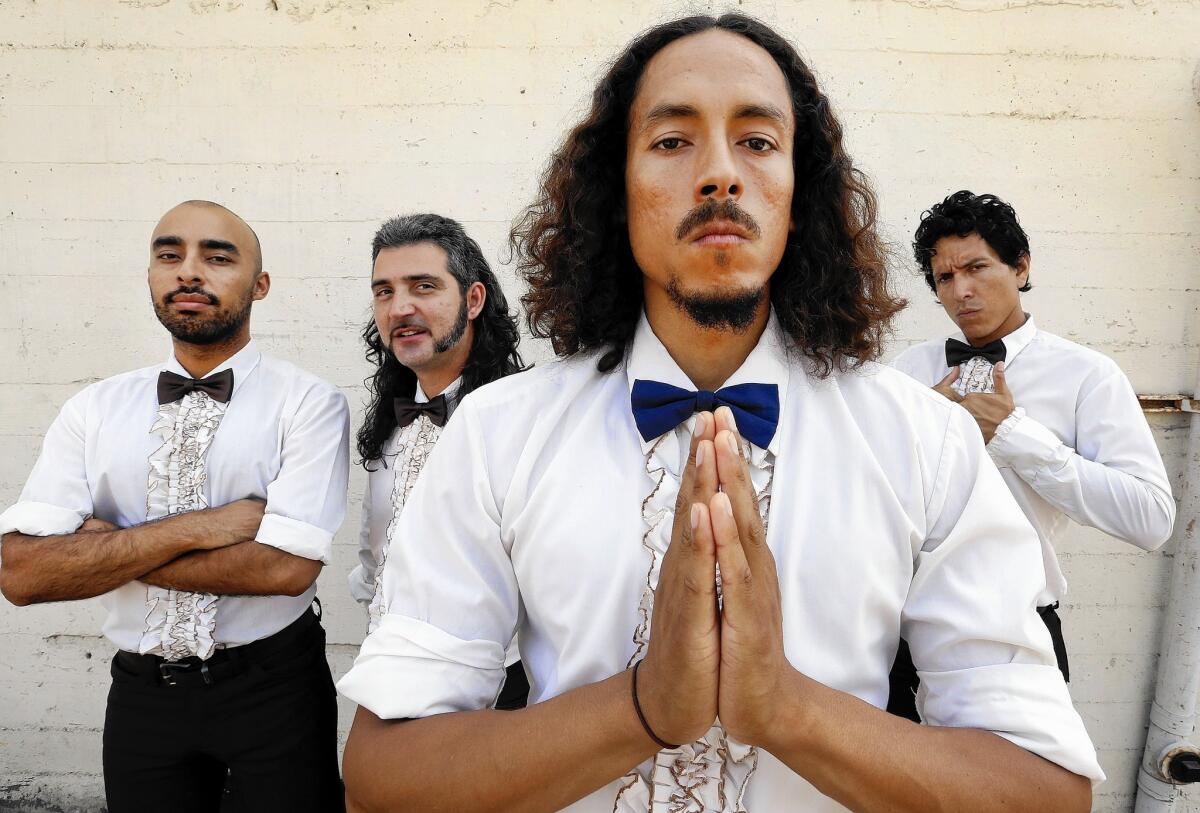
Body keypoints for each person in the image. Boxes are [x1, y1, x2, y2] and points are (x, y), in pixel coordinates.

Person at [337, 15, 1102, 812]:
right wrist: (643, 707)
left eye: (759, 142)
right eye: (672, 141)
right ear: (616, 191)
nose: (719, 175)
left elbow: (1047, 792)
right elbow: (383, 776)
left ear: (801, 193)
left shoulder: (926, 440)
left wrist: (785, 707)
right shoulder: (497, 433)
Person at [0, 200, 349, 812]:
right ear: (152, 277)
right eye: (170, 255)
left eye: (218, 257)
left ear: (259, 285)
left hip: (276, 688)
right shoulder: (93, 409)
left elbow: (284, 570)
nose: (190, 272)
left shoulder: (310, 403)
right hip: (143, 695)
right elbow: (22, 574)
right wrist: (209, 527)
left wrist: (100, 549)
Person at [888, 190, 1174, 710]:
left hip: (1015, 628)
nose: (961, 292)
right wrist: (915, 434)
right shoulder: (906, 374)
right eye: (945, 278)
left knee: (1013, 790)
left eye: (976, 268)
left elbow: (1151, 518)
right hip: (896, 633)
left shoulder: (1086, 375)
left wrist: (1015, 435)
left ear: (1020, 267)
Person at [349, 212, 528, 708]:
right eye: (384, 291)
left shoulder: (523, 423)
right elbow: (373, 561)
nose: (399, 307)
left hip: (496, 689)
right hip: (389, 676)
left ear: (473, 300)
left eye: (422, 286)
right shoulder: (389, 428)